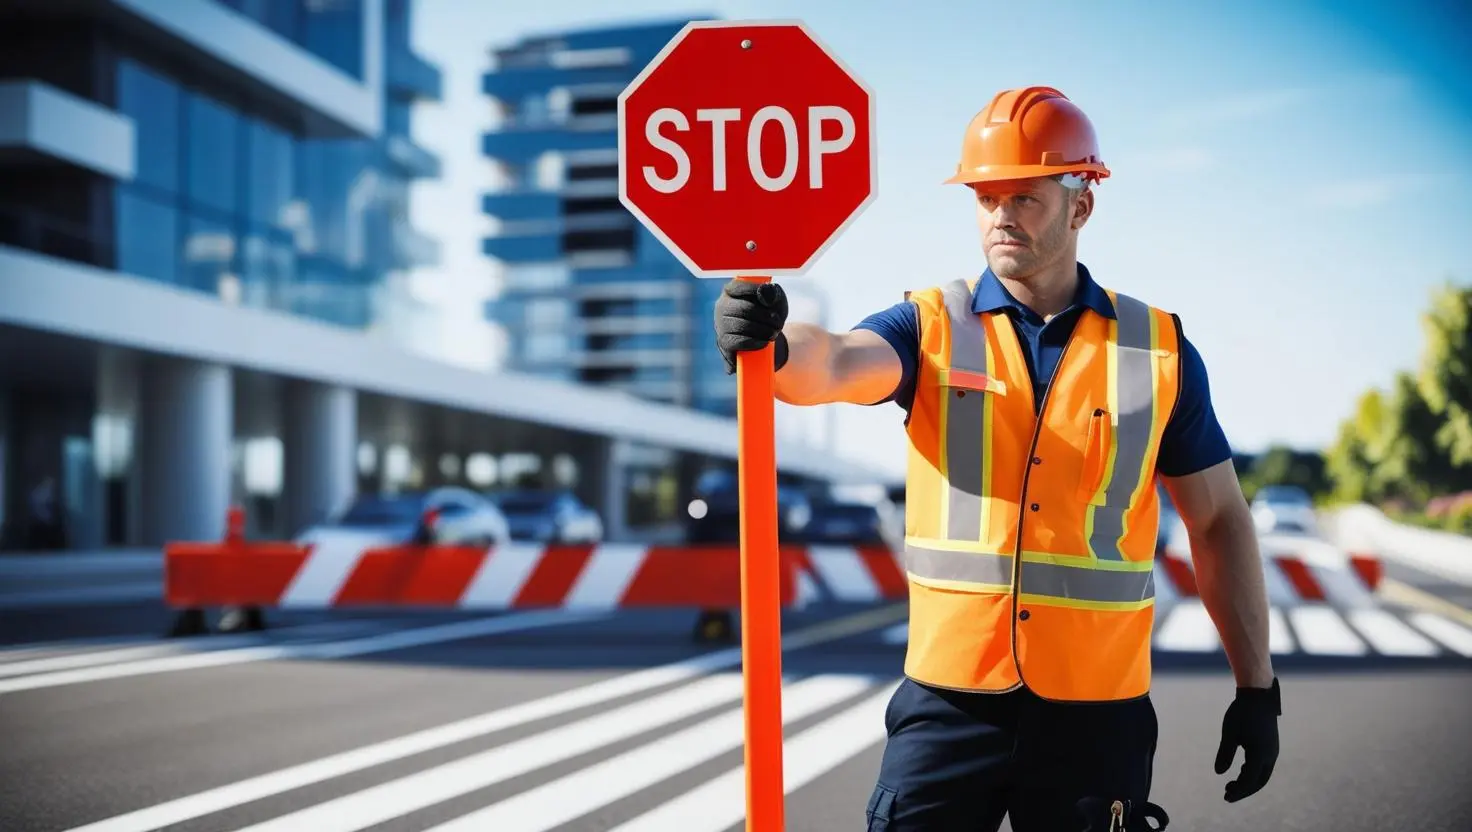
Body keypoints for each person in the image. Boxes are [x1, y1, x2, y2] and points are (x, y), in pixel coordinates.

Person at [713, 86, 1281, 831]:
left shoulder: (1159, 349)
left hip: (1095, 713)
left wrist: (1256, 688)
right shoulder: (928, 324)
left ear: (1081, 205)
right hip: (948, 703)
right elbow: (836, 363)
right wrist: (777, 348)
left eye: (1025, 197)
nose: (1001, 216)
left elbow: (1218, 525)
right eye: (986, 198)